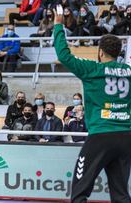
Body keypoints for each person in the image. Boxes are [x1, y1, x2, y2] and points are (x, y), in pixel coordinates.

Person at [54, 9, 131, 201]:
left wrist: (58, 25)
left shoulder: (93, 69)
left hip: (101, 135)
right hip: (126, 137)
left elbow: (64, 56)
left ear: (100, 51)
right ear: (118, 52)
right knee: (121, 194)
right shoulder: (129, 72)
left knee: (80, 191)